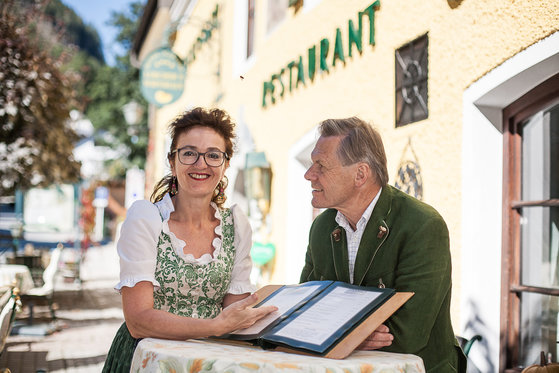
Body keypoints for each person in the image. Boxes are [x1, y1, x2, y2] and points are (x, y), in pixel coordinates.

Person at [103, 107, 276, 373]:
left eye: (213, 155)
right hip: (150, 359)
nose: (201, 164)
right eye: (189, 153)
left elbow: (236, 312)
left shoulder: (236, 226)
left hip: (209, 361)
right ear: (172, 162)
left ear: (226, 164)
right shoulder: (146, 219)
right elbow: (138, 321)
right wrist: (214, 327)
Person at [300, 117, 467, 373]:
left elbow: (407, 334)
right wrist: (354, 336)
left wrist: (337, 334)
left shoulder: (422, 225)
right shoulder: (321, 228)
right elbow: (304, 314)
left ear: (360, 174)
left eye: (321, 165)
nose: (309, 174)